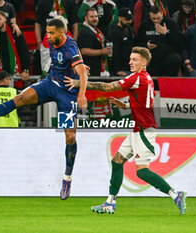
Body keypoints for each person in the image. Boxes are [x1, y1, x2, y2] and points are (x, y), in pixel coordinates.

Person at [0, 18, 88, 200]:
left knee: (70, 137)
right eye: (47, 31)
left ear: (62, 33)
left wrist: (81, 95)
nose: (48, 35)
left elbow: (82, 73)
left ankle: (67, 178)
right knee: (20, 97)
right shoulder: (51, 42)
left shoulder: (70, 46)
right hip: (50, 83)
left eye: (52, 32)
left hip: (68, 93)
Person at [64, 46, 186, 215]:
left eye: (134, 59)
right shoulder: (147, 78)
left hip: (144, 130)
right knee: (117, 161)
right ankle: (110, 203)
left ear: (143, 63)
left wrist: (80, 83)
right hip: (138, 128)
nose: (130, 62)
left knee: (142, 171)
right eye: (130, 59)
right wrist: (127, 106)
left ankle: (175, 194)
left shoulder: (137, 78)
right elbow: (146, 104)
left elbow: (107, 88)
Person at [137, 5, 183, 76]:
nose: (156, 21)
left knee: (175, 58)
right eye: (153, 18)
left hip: (167, 57)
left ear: (162, 14)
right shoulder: (144, 25)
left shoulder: (171, 24)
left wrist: (166, 33)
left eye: (158, 18)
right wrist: (146, 45)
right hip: (151, 58)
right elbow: (137, 42)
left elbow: (180, 41)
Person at [0, 10, 30, 80]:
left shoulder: (15, 32)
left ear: (5, 19)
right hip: (1, 73)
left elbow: (24, 51)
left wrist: (26, 69)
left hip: (16, 70)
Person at [77, 7, 111, 76]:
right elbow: (84, 50)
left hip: (97, 68)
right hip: (90, 70)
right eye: (91, 17)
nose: (94, 19)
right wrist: (102, 51)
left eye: (96, 16)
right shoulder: (85, 31)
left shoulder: (95, 30)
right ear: (86, 18)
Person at [107, 7, 134, 77]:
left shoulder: (129, 30)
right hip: (119, 69)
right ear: (120, 18)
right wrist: (117, 69)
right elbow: (114, 52)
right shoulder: (114, 32)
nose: (129, 21)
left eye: (130, 19)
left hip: (128, 65)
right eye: (126, 19)